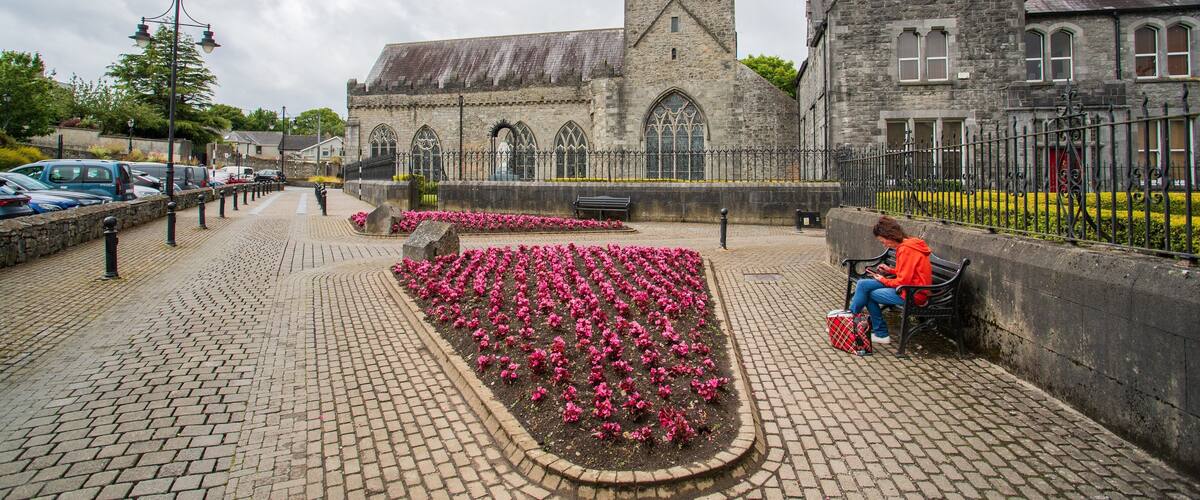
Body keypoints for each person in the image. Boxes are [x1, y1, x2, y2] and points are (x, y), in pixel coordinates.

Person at [848, 216, 932, 344]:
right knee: (863, 285)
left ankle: (851, 325)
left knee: (867, 293)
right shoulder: (909, 244)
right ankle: (854, 324)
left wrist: (883, 279)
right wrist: (890, 270)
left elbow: (903, 281)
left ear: (890, 236)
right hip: (910, 289)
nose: (884, 245)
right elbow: (909, 273)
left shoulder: (906, 249)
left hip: (913, 294)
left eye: (883, 241)